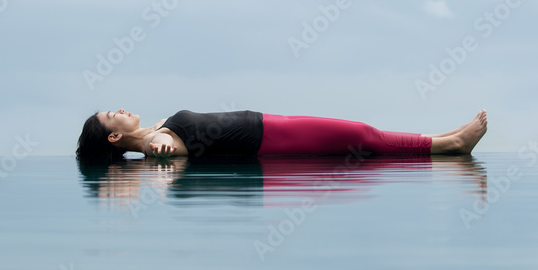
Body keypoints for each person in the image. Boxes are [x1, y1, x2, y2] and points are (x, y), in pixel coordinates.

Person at [75, 108, 487, 159]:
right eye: (114, 115)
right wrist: (163, 149)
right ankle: (451, 145)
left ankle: (441, 138)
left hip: (267, 126)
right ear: (113, 137)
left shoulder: (154, 130)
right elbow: (167, 153)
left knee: (362, 134)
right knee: (360, 136)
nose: (122, 110)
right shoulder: (153, 142)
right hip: (269, 139)